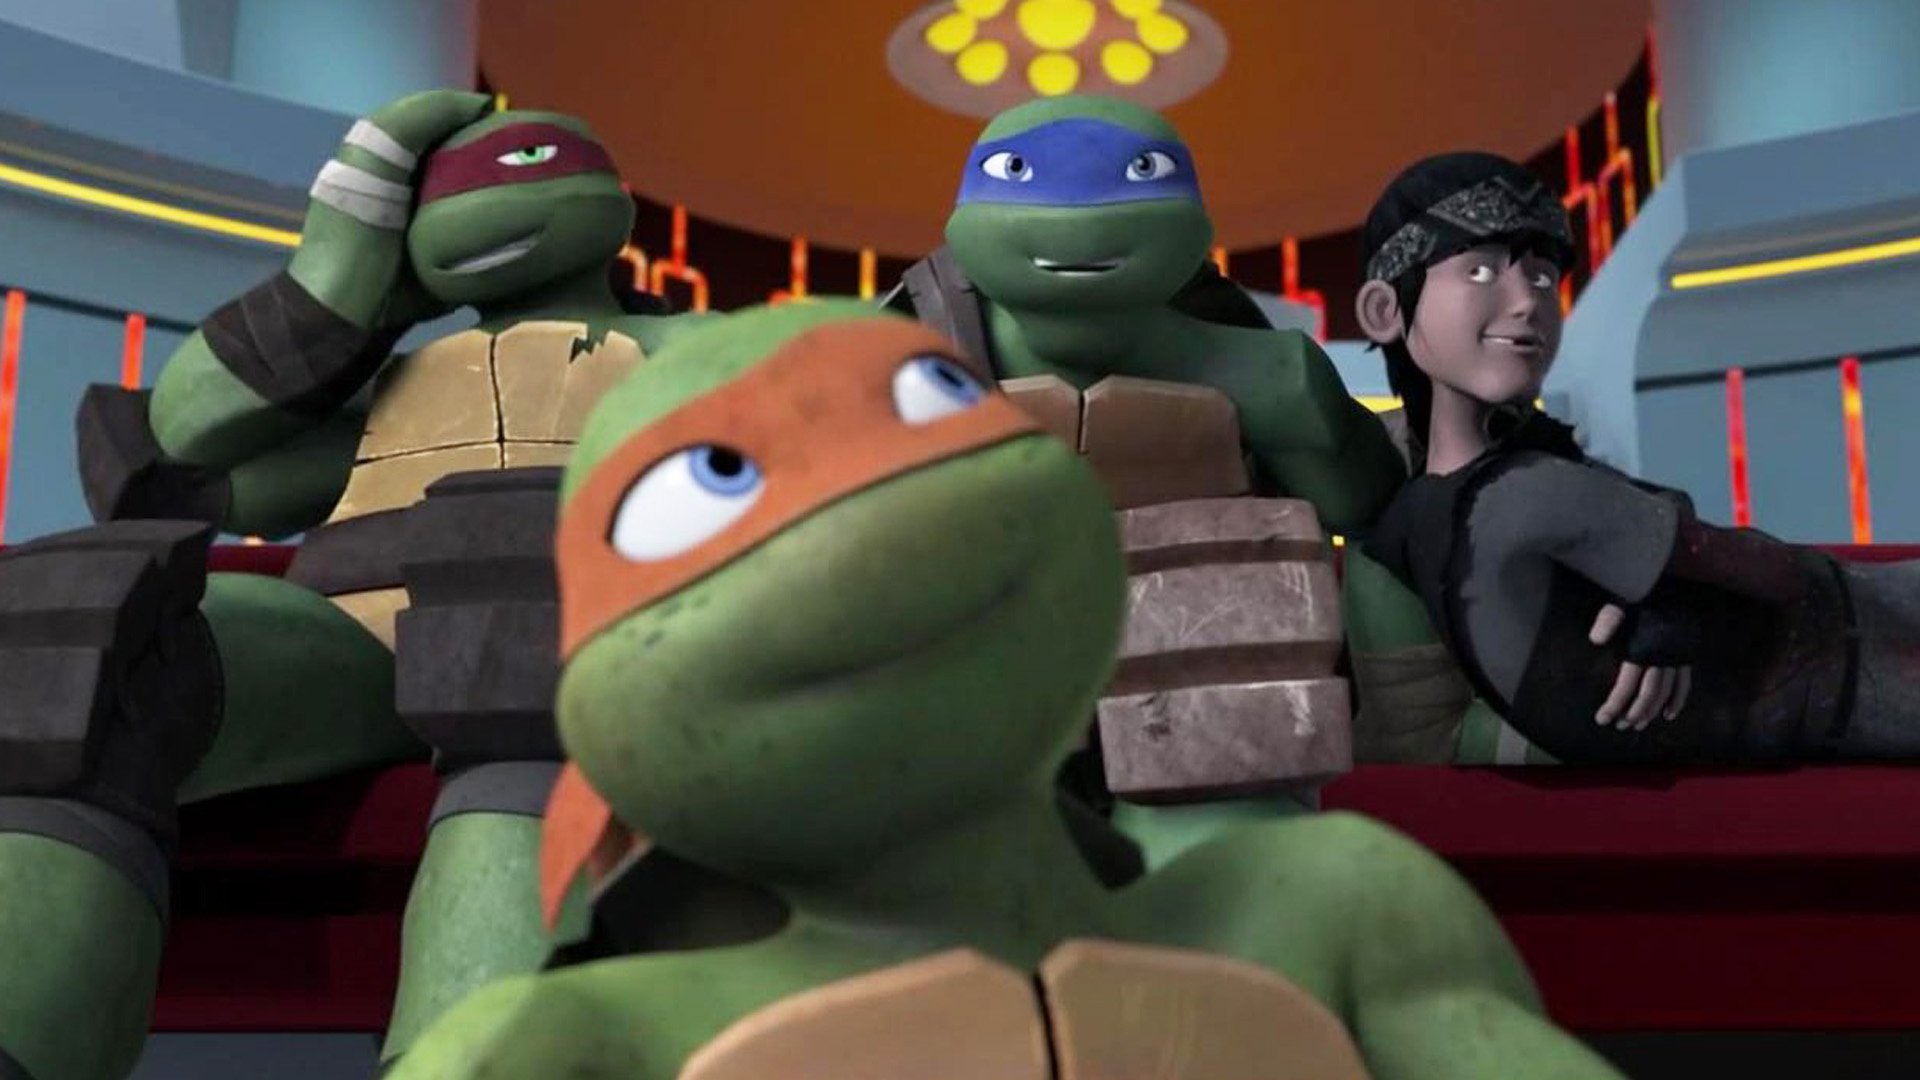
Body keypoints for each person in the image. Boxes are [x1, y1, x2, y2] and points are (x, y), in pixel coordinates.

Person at [392, 301, 1626, 1079]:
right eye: (708, 482)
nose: (872, 497)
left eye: (928, 402)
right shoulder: (570, 1046)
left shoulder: (1328, 911)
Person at [1356, 151, 1920, 764]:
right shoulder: (1518, 497)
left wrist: (1660, 587)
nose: (1526, 302)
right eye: (1480, 272)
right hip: (1836, 672)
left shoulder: (1431, 513)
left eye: (1542, 278)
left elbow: (1650, 519)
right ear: (1384, 310)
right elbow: (1771, 571)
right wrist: (1679, 587)